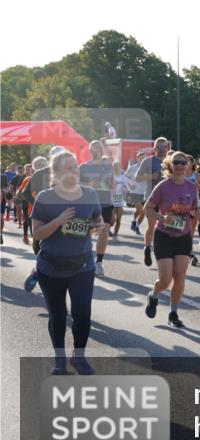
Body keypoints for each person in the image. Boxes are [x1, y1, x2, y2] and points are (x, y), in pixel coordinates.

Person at [31, 151, 102, 374]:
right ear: (57, 173)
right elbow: (37, 234)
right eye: (68, 168)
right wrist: (60, 220)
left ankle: (78, 357)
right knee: (58, 315)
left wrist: (98, 226)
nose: (73, 172)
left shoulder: (90, 194)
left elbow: (96, 218)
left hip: (82, 266)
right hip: (51, 267)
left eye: (75, 167)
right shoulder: (45, 197)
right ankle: (59, 359)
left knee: (82, 315)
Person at [143, 150, 198, 328]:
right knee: (166, 279)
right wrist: (162, 218)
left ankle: (173, 313)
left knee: (180, 276)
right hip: (164, 235)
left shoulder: (192, 187)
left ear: (188, 165)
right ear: (170, 165)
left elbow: (196, 212)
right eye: (176, 163)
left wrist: (197, 213)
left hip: (183, 236)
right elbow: (148, 209)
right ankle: (154, 295)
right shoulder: (163, 186)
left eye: (183, 162)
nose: (180, 166)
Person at [78, 140, 115, 277]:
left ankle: (99, 262)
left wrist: (112, 184)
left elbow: (112, 185)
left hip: (105, 202)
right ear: (90, 151)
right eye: (94, 148)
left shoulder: (108, 166)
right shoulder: (83, 167)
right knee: (87, 231)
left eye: (98, 147)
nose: (96, 150)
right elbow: (76, 183)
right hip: (88, 202)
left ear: (102, 150)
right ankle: (84, 257)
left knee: (104, 230)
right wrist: (88, 184)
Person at [136, 138, 170, 266]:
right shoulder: (148, 161)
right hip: (151, 198)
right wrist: (151, 176)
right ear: (154, 149)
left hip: (168, 200)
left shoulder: (171, 161)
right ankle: (147, 248)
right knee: (151, 226)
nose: (161, 150)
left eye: (164, 147)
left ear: (167, 148)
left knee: (165, 226)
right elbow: (137, 178)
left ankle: (162, 250)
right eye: (159, 147)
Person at [23, 155, 53, 292]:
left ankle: (42, 270)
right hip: (39, 215)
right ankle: (39, 269)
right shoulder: (38, 175)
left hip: (58, 215)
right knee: (38, 243)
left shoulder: (67, 175)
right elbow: (24, 193)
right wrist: (37, 204)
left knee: (53, 245)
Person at [126, 151, 145, 234]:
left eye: (144, 158)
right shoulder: (132, 168)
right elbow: (126, 178)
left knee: (142, 212)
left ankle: (136, 224)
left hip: (145, 192)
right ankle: (135, 223)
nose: (142, 159)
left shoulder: (147, 168)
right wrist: (129, 186)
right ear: (137, 159)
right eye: (141, 157)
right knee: (141, 210)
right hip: (135, 192)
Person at [110, 160, 129, 241]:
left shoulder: (122, 177)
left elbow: (126, 187)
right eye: (115, 166)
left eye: (118, 166)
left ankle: (115, 235)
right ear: (112, 167)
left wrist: (125, 190)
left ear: (120, 167)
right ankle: (107, 228)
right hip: (111, 200)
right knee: (112, 220)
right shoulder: (111, 177)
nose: (116, 168)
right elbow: (107, 186)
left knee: (118, 219)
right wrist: (111, 187)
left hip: (120, 200)